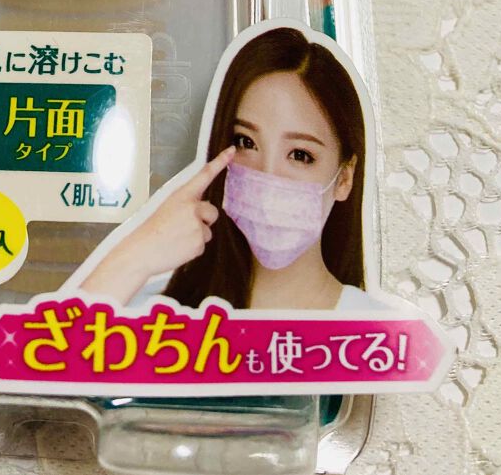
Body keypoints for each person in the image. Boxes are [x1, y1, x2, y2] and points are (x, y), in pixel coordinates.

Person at [78, 25, 369, 311]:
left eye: (300, 155)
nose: (266, 175)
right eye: (245, 142)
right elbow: (58, 334)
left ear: (345, 177)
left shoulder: (376, 328)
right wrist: (138, 254)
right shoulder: (157, 313)